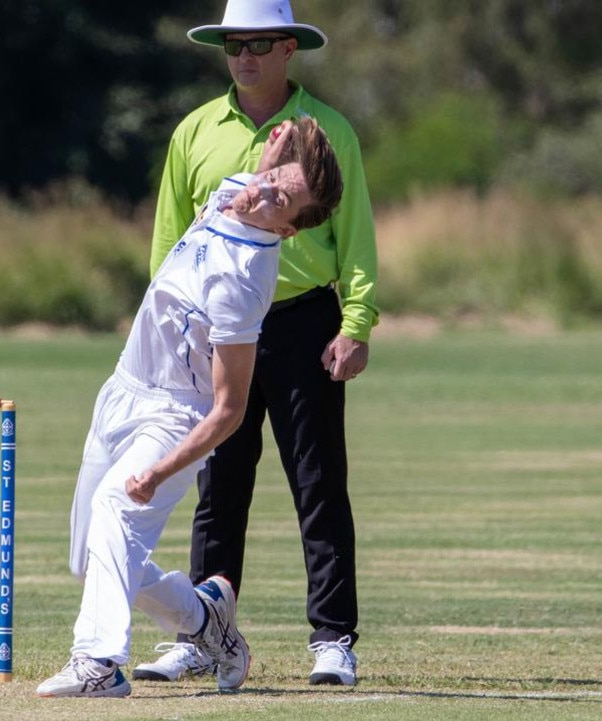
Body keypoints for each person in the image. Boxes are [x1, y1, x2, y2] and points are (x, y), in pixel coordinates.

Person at [35, 118, 344, 698]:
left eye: (283, 197)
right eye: (274, 177)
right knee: (90, 558)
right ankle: (207, 621)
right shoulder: (238, 189)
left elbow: (229, 409)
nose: (267, 189)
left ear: (287, 228)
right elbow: (256, 183)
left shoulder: (245, 281)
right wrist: (274, 160)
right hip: (123, 388)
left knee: (116, 509)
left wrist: (162, 469)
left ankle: (99, 663)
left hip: (177, 412)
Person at [132, 0, 378, 688]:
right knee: (218, 486)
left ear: (289, 49)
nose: (245, 55)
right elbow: (170, 243)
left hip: (304, 321)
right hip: (216, 326)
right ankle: (200, 633)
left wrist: (356, 323)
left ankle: (332, 637)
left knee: (319, 484)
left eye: (261, 42)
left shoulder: (329, 132)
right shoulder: (194, 131)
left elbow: (356, 237)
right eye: (234, 43)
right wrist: (173, 328)